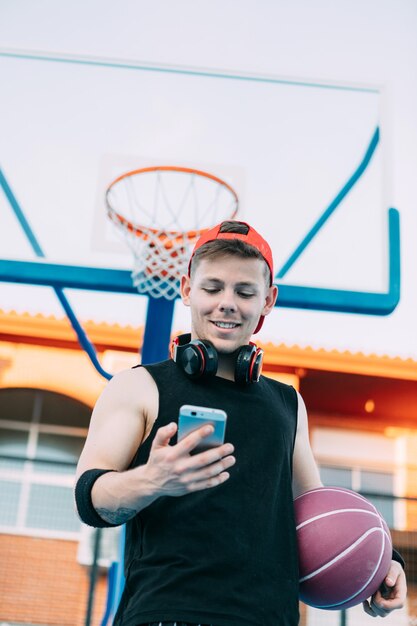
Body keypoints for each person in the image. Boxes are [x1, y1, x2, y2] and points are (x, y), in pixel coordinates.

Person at [75, 220, 407, 626]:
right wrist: (152, 480)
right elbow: (90, 499)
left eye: (244, 292)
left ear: (268, 300)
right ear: (186, 290)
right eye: (212, 288)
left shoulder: (288, 403)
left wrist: (381, 560)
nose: (227, 303)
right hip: (167, 615)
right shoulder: (139, 386)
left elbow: (317, 514)